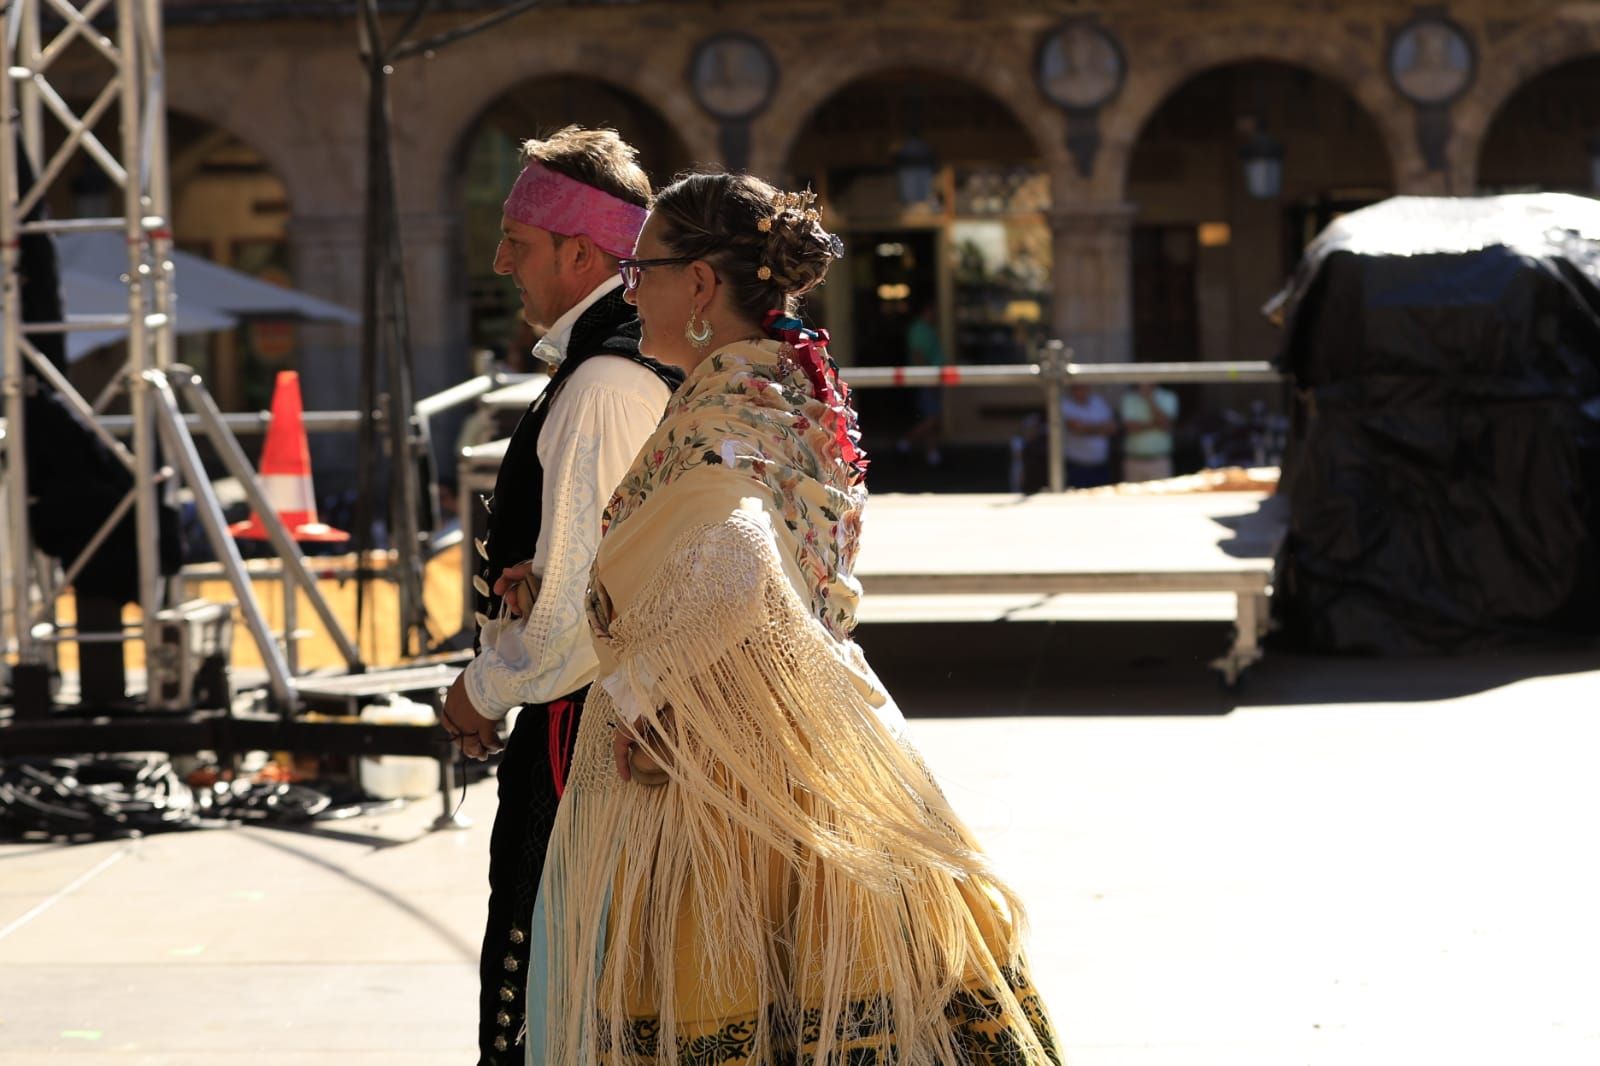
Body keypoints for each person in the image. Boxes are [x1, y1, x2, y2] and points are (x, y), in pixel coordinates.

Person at [526, 172, 1060, 1064]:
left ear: (699, 285)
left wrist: (659, 698)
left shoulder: (725, 410)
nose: (631, 289)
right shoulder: (791, 387)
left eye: (642, 269)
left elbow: (736, 564)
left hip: (730, 771)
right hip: (815, 737)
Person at [435, 126, 684, 1065]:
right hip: (593, 724)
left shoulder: (608, 384)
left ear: (582, 253)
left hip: (584, 735)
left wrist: (483, 688)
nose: (499, 262)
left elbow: (592, 612)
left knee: (548, 986)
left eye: (518, 241)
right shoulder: (611, 369)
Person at [899, 297, 944, 465]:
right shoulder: (919, 329)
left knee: (931, 418)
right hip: (927, 379)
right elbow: (918, 355)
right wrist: (928, 378)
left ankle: (932, 452)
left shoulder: (929, 328)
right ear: (927, 311)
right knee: (933, 417)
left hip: (934, 377)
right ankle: (906, 441)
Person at [1120, 381, 1178, 482]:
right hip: (1134, 460)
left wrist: (1149, 399)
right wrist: (1154, 424)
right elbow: (1130, 428)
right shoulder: (1129, 398)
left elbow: (1166, 425)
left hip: (1159, 461)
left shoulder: (1168, 396)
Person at [1061, 382, 1116, 488]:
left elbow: (1112, 427)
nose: (1081, 391)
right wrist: (1100, 428)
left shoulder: (1098, 401)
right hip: (1077, 467)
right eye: (1077, 388)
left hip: (1101, 465)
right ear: (1072, 390)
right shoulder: (1065, 404)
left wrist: (1087, 428)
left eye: (1084, 387)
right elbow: (1077, 429)